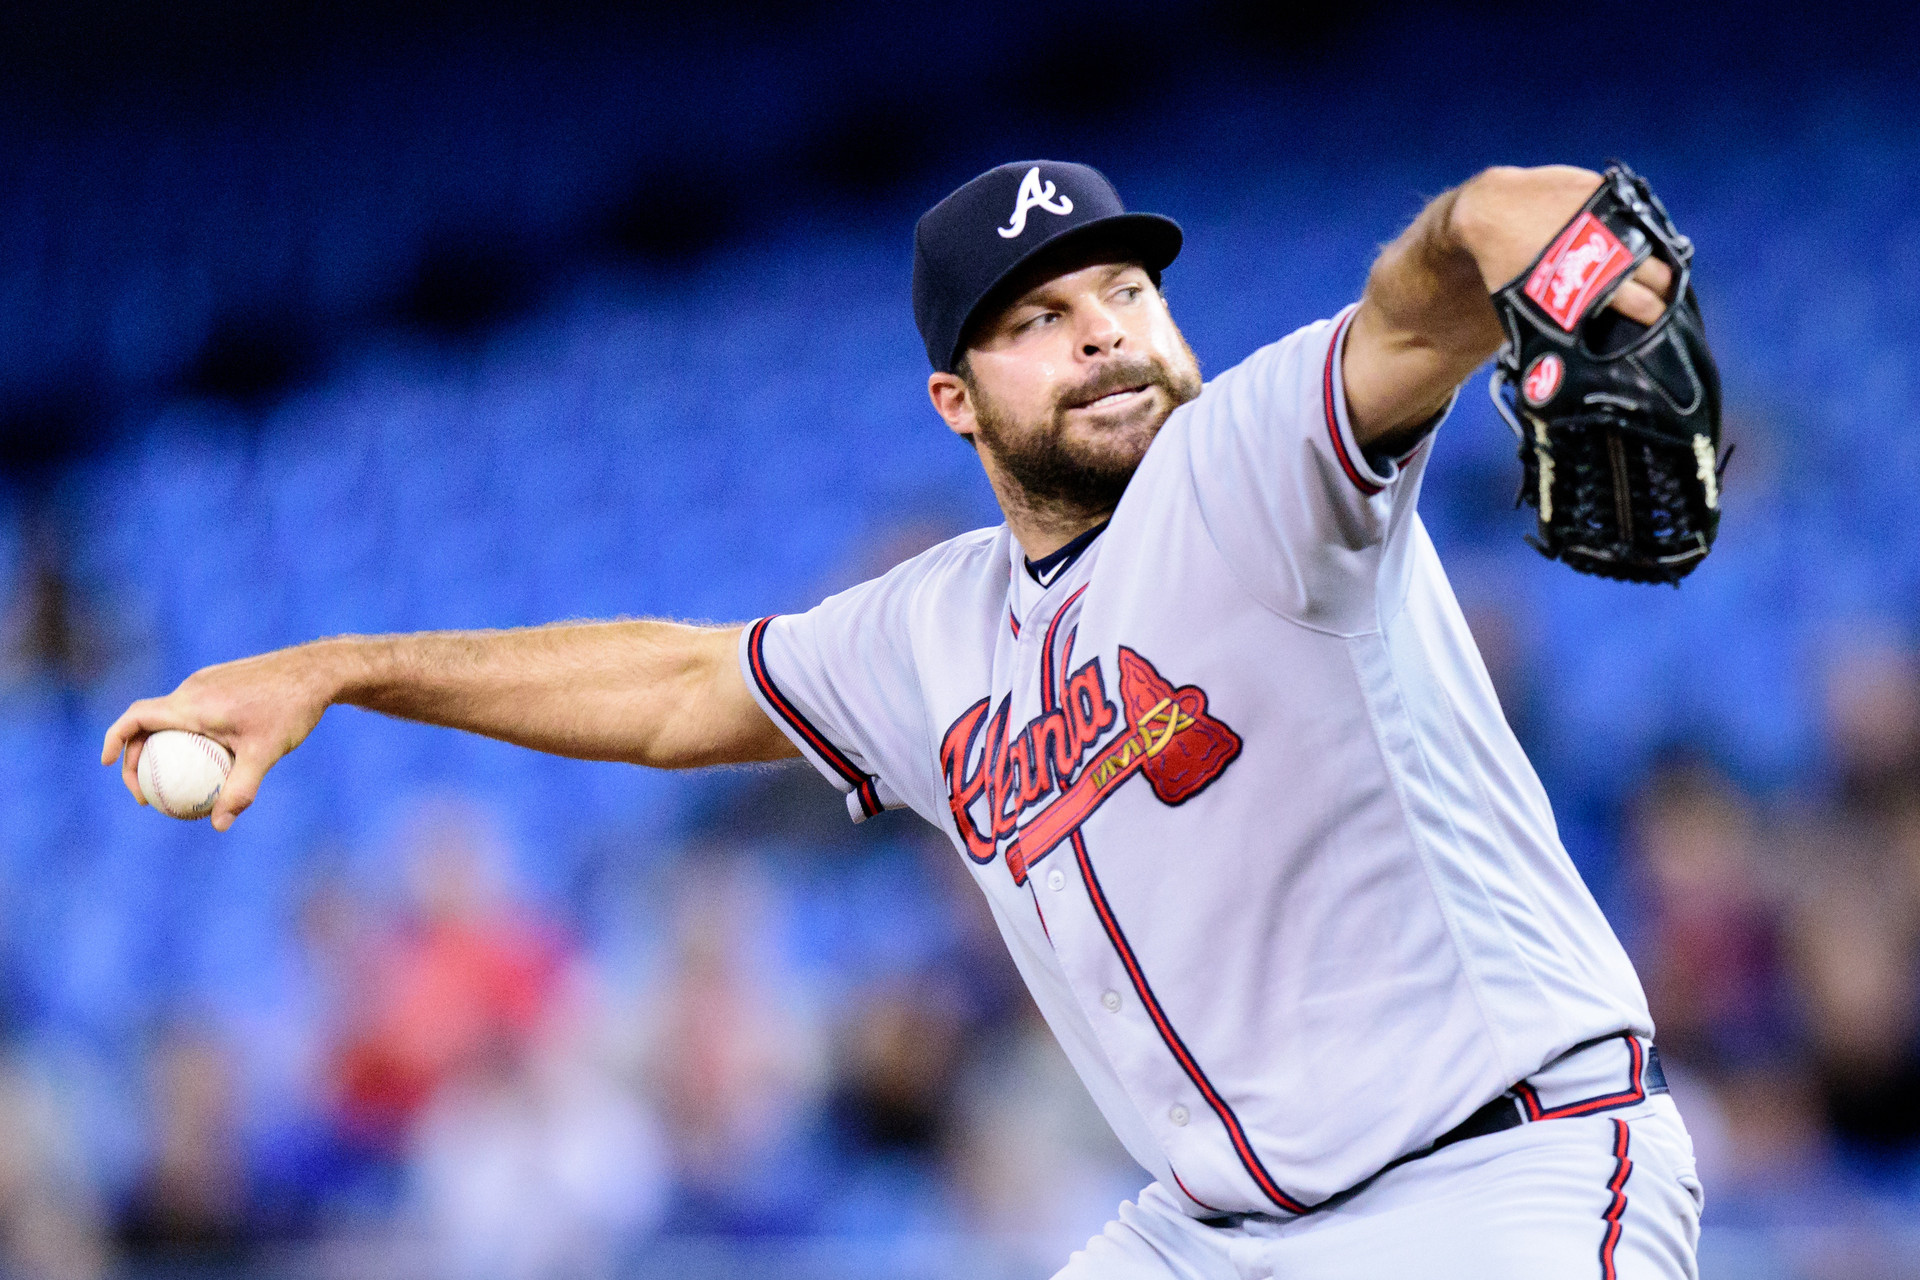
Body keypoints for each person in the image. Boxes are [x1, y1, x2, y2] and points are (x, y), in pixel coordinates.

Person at [104, 160, 1702, 1277]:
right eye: (1038, 316)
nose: (1103, 330)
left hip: (1502, 1178)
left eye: (1128, 289)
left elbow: (1440, 270)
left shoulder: (1258, 469)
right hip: (1220, 1231)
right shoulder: (929, 631)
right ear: (957, 398)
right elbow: (672, 688)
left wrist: (1554, 246)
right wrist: (340, 667)